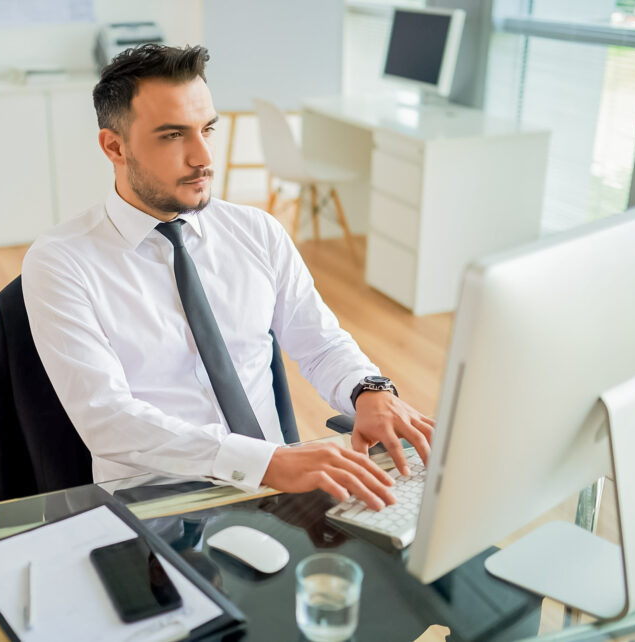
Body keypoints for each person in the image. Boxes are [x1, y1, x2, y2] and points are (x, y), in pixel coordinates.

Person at [22, 44, 434, 511]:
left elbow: (321, 344)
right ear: (114, 146)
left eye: (208, 129)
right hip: (160, 506)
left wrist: (369, 389)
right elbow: (109, 419)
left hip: (284, 490)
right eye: (173, 135)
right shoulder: (61, 262)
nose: (203, 157)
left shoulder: (257, 232)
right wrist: (262, 462)